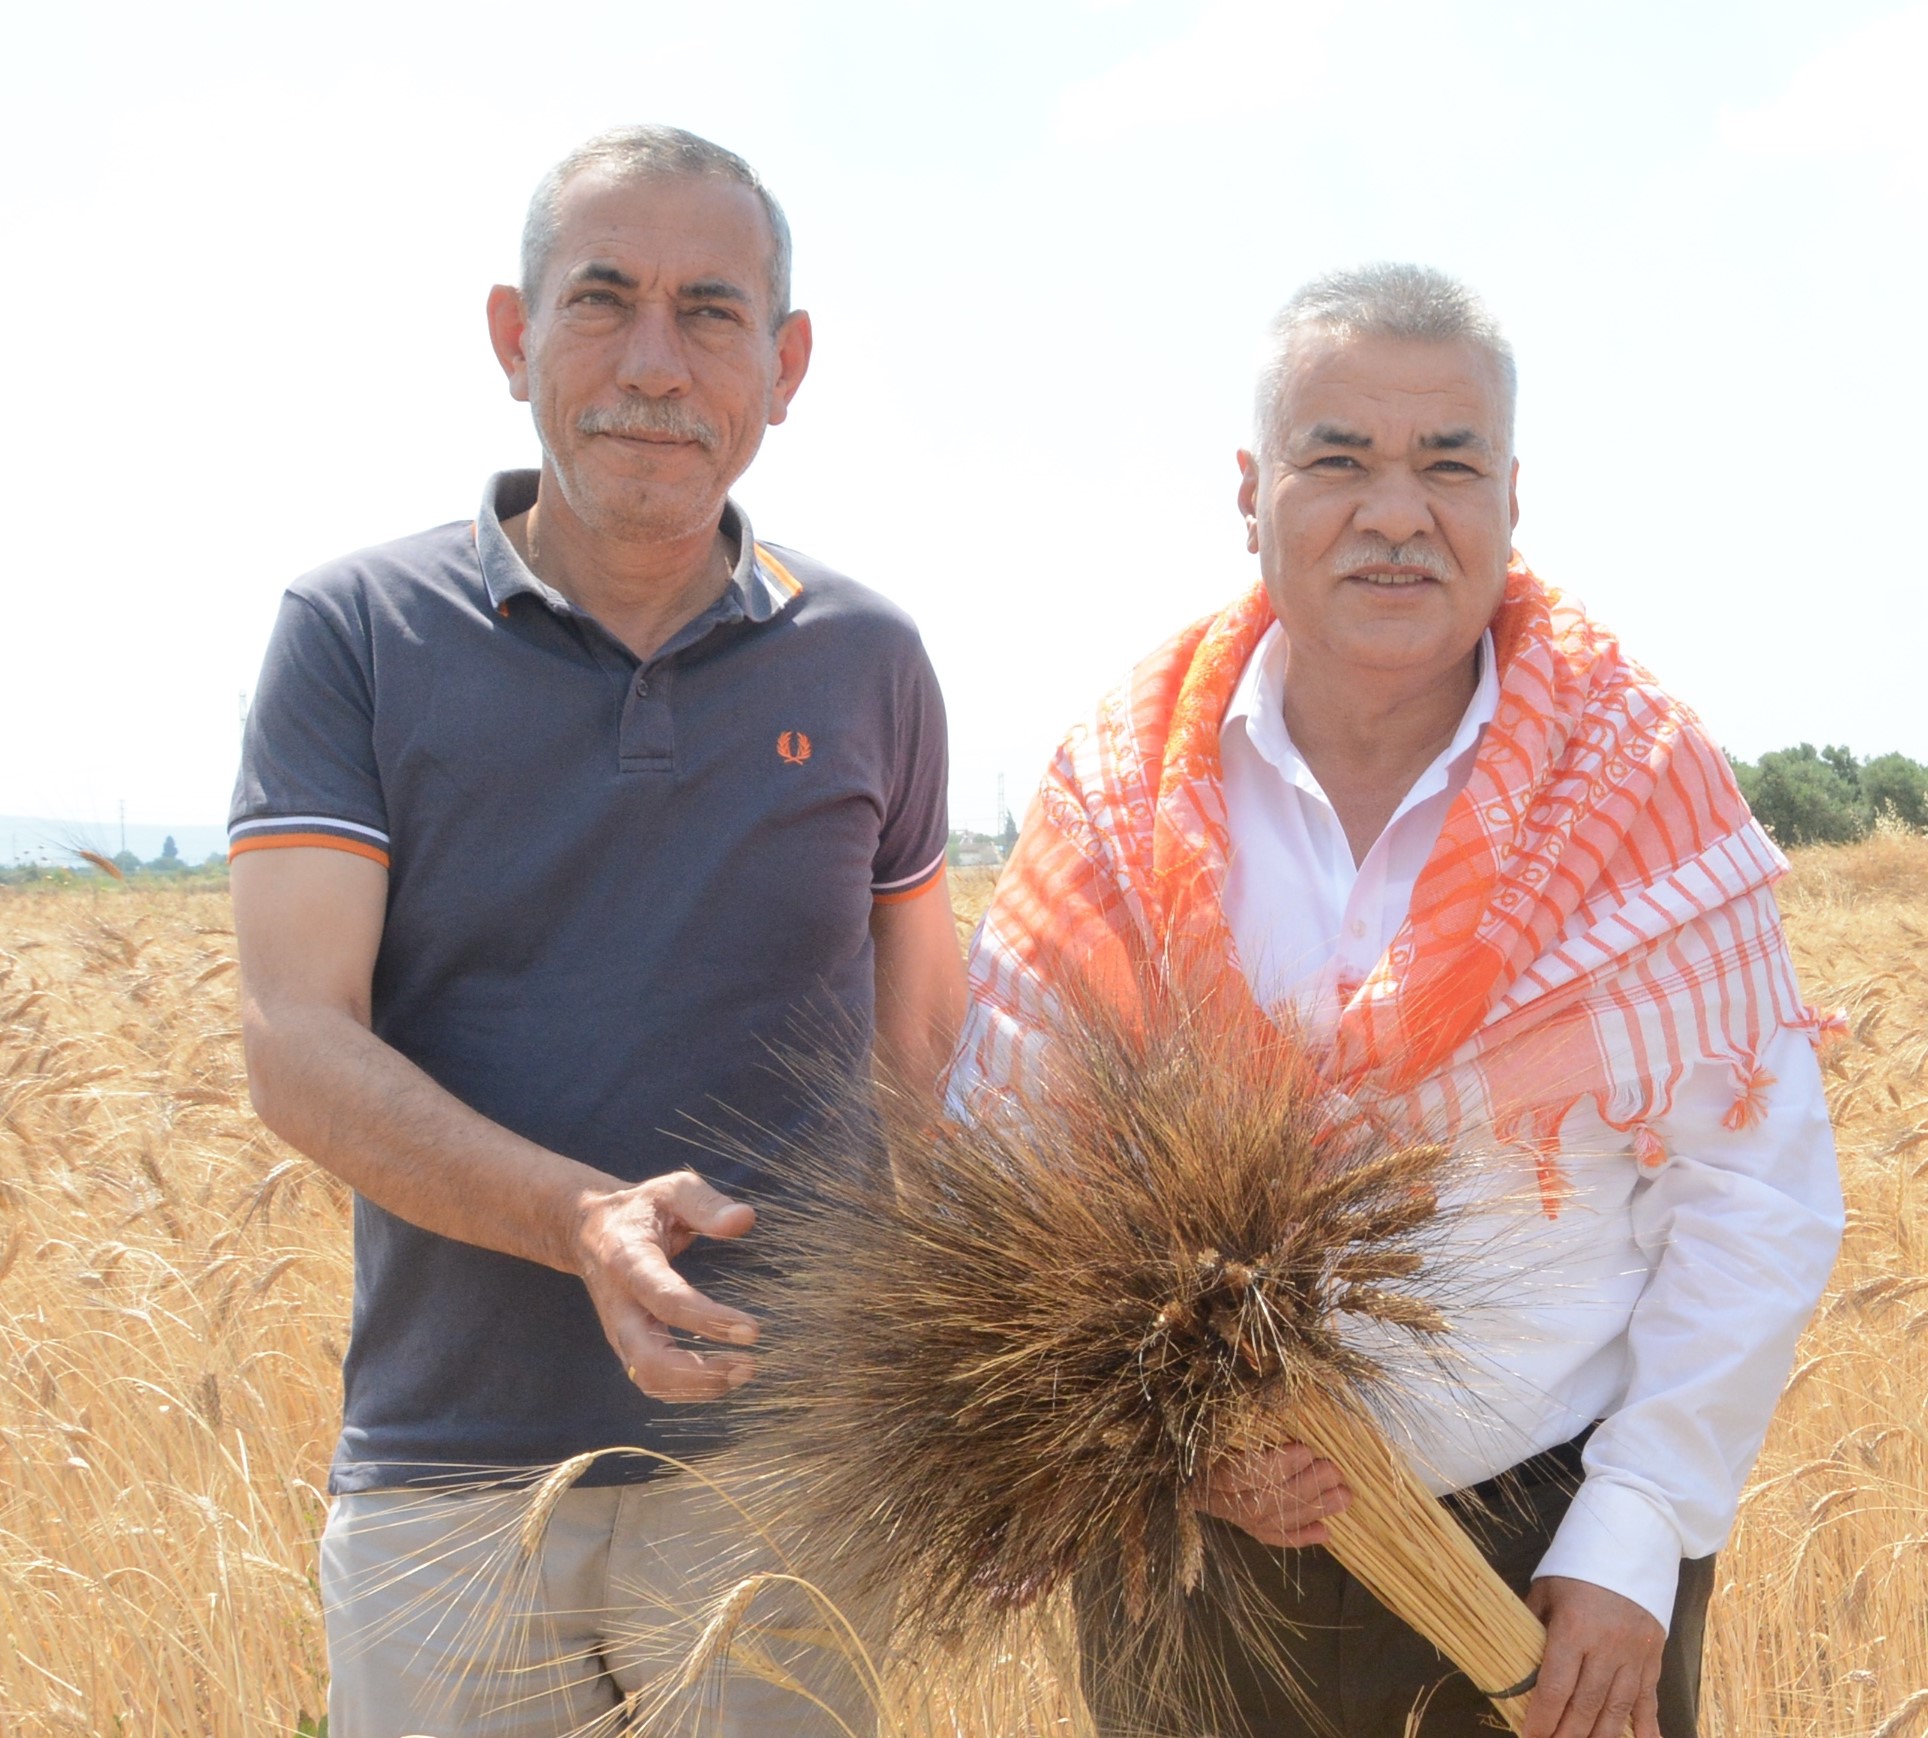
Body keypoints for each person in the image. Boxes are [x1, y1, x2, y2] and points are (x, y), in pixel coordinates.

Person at [949, 264, 1842, 1738]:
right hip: (1198, 1565)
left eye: (1449, 464)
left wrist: (1635, 1531)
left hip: (1552, 1560)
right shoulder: (1116, 794)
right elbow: (1009, 1178)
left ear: (1512, 495)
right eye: (1341, 458)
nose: (1397, 512)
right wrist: (1187, 1445)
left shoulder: (1638, 788)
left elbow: (1755, 1195)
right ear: (1252, 491)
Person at [230, 125, 965, 1738]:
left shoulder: (871, 662)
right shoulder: (356, 634)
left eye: (710, 312)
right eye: (601, 298)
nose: (654, 362)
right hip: (448, 1490)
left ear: (785, 367)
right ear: (513, 337)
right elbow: (294, 1036)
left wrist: (965, 1399)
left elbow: (925, 1062)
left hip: (787, 1482)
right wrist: (583, 1219)